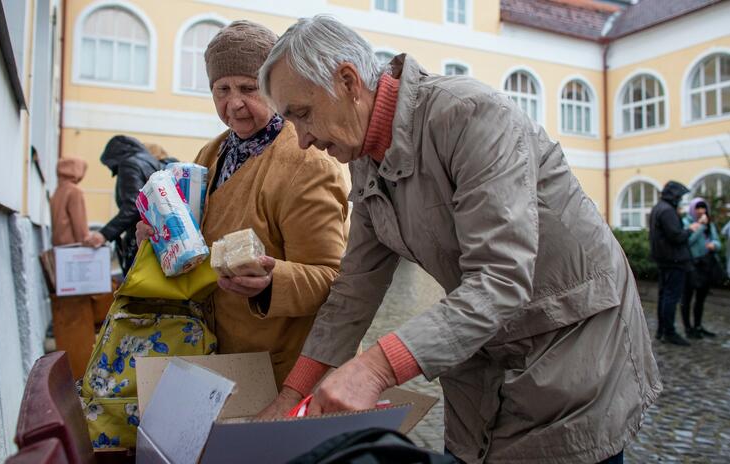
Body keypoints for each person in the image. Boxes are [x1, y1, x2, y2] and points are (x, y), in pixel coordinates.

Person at [255, 15, 660, 463]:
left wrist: (373, 368)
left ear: (348, 81)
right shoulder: (364, 154)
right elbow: (354, 288)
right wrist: (290, 397)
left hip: (574, 345)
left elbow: (501, 278)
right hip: (488, 345)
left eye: (302, 114)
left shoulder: (468, 113)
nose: (303, 139)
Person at [135, 20, 349, 387]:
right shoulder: (212, 152)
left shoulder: (308, 163)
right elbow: (196, 245)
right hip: (215, 356)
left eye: (249, 88)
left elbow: (333, 279)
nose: (234, 104)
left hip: (282, 370)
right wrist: (160, 240)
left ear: (273, 88)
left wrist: (270, 282)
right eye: (222, 89)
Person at [84, 135, 162, 275]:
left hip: (138, 237)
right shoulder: (151, 161)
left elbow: (132, 205)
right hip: (155, 235)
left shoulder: (129, 164)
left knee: (135, 285)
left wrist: (104, 234)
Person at [649, 181, 701, 346]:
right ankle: (669, 332)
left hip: (665, 259)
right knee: (670, 297)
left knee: (664, 295)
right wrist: (691, 229)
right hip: (674, 260)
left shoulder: (659, 208)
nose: (680, 199)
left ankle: (662, 331)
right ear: (674, 196)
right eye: (679, 196)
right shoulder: (667, 210)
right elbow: (676, 236)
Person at [680, 198, 720, 338]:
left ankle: (698, 325)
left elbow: (717, 241)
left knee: (701, 298)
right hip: (691, 265)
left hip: (705, 264)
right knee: (687, 297)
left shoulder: (710, 224)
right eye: (698, 208)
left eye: (703, 208)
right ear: (693, 209)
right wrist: (701, 225)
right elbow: (688, 241)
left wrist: (714, 245)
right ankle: (688, 328)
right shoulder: (686, 223)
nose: (701, 211)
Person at [50, 157, 90, 246]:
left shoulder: (57, 191)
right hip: (72, 247)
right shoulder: (74, 191)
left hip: (58, 246)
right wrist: (85, 242)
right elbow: (79, 224)